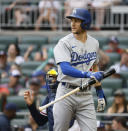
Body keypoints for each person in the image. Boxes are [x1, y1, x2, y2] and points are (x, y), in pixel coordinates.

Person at [53, 8, 106, 131]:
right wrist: (88, 75)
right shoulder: (64, 43)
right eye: (72, 20)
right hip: (66, 93)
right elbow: (65, 69)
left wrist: (99, 91)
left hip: (86, 95)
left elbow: (95, 66)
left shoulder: (94, 43)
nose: (73, 23)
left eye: (77, 21)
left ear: (86, 23)